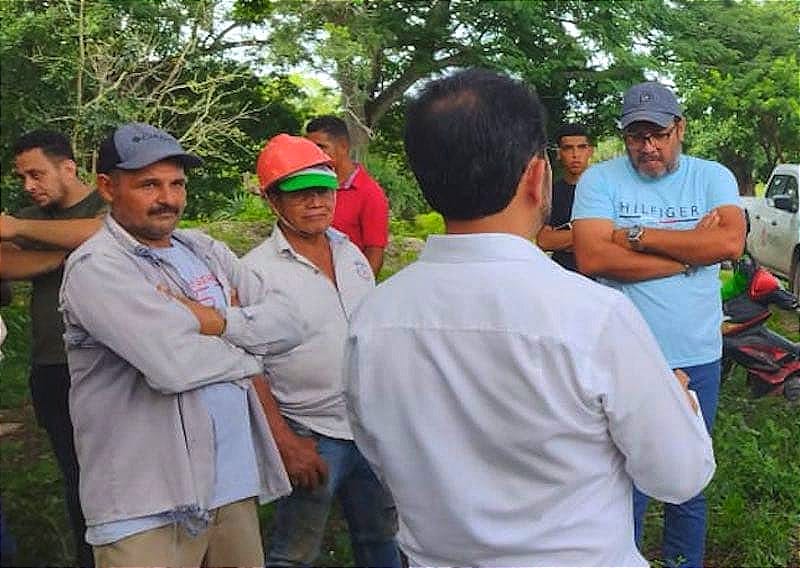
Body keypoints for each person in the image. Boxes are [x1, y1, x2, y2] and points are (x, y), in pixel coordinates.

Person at [344, 68, 715, 567]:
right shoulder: (593, 316)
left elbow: (379, 455)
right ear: (538, 176)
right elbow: (678, 477)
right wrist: (680, 398)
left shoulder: (373, 319)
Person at [59, 123, 303, 567]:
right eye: (148, 184)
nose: (168, 198)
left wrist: (212, 320)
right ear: (107, 187)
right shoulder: (97, 268)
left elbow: (290, 322)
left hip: (230, 487)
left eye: (177, 184)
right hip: (145, 504)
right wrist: (251, 352)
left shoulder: (203, 249)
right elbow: (172, 366)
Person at [572, 81, 746, 567]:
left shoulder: (711, 176)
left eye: (659, 134)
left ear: (680, 129)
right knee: (617, 478)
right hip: (619, 358)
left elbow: (729, 243)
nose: (648, 147)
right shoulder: (600, 181)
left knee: (687, 477)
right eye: (636, 136)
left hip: (695, 354)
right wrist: (690, 252)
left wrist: (634, 237)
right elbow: (590, 255)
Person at [241, 134, 401, 568]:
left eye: (322, 189)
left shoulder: (350, 253)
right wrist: (286, 441)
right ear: (273, 200)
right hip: (310, 433)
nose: (315, 201)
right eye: (299, 193)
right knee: (294, 551)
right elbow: (247, 366)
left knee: (381, 536)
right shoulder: (256, 272)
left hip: (368, 428)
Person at [0, 130, 106, 567]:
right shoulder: (35, 215)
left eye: (36, 174)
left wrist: (23, 230)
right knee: (75, 477)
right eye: (23, 176)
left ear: (68, 167)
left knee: (115, 475)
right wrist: (59, 256)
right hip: (50, 366)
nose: (29, 185)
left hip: (105, 365)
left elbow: (106, 232)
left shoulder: (103, 204)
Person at [305, 116, 389, 276]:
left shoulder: (369, 193)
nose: (314, 154)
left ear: (343, 146)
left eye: (321, 147)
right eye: (310, 148)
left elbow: (375, 252)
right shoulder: (310, 187)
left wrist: (359, 292)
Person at [536, 123, 594, 271]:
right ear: (559, 153)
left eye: (581, 147)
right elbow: (544, 240)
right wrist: (595, 235)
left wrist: (564, 238)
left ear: (590, 151)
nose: (575, 154)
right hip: (563, 273)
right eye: (568, 148)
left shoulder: (605, 190)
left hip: (601, 276)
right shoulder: (551, 193)